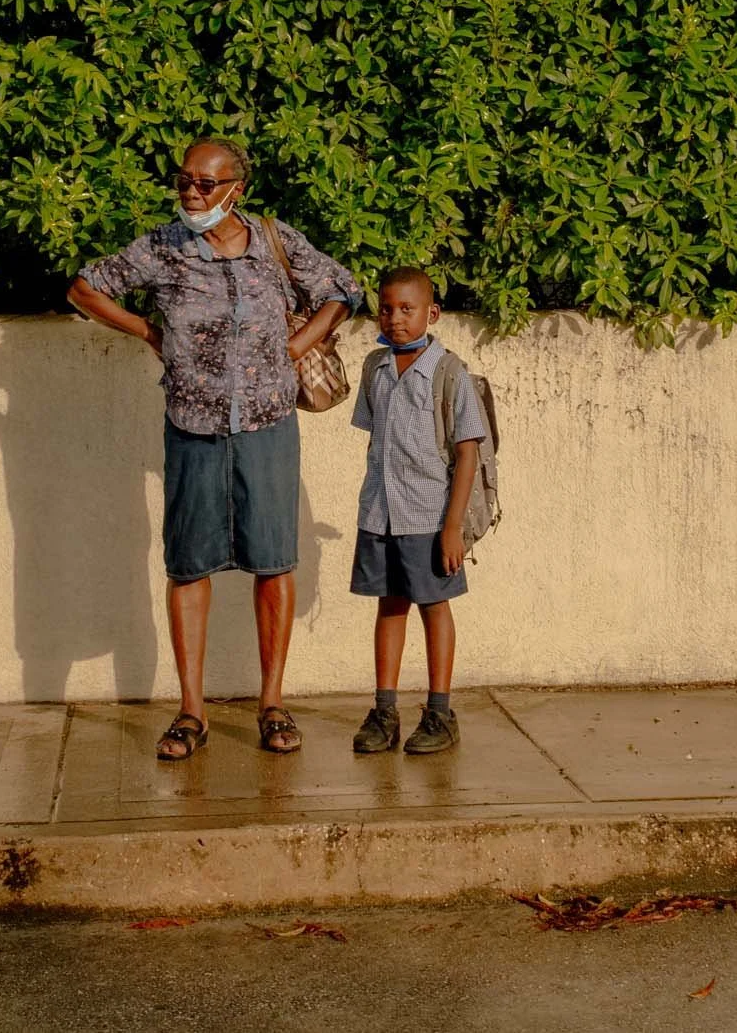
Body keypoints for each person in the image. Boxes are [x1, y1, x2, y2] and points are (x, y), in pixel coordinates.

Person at [68, 139, 362, 760]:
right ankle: (190, 711)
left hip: (267, 425)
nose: (192, 194)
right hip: (193, 426)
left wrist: (299, 343)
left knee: (274, 562)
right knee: (188, 566)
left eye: (205, 184)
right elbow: (85, 289)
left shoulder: (275, 242)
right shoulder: (163, 248)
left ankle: (272, 704)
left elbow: (343, 288)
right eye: (184, 182)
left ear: (237, 189)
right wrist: (150, 331)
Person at [347, 267, 488, 755]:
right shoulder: (376, 368)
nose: (395, 318)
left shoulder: (448, 373)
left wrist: (453, 528)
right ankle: (385, 712)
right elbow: (378, 442)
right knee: (389, 606)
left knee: (433, 607)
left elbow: (468, 451)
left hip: (429, 518)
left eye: (407, 309)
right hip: (381, 513)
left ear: (432, 313)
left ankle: (440, 712)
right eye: (387, 308)